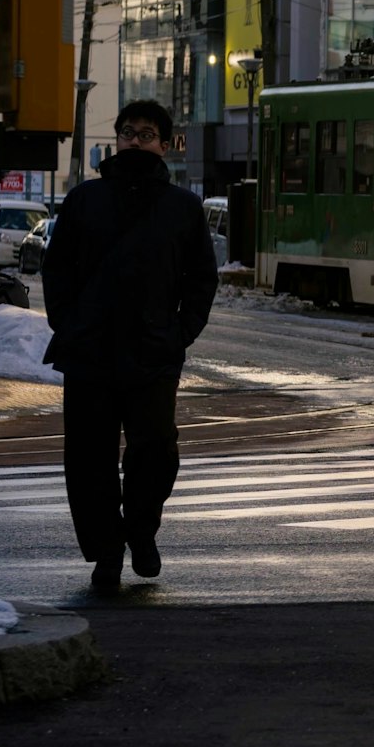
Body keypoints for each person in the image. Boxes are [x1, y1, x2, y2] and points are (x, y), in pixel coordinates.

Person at [45, 101, 224, 592]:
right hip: (89, 353)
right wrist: (69, 323)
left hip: (152, 352)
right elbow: (56, 269)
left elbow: (201, 279)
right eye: (128, 132)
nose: (135, 141)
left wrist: (179, 332)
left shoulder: (182, 208)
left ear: (165, 144)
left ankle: (141, 532)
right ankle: (106, 553)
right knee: (89, 460)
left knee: (156, 452)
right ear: (117, 138)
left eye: (146, 134)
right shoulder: (84, 200)